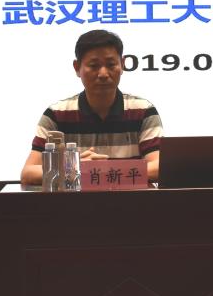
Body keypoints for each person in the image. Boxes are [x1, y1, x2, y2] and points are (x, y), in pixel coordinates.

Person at [20, 30, 163, 185]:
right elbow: (28, 173)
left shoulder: (143, 111)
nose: (103, 74)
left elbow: (159, 168)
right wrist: (73, 168)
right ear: (77, 68)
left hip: (129, 200)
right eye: (94, 66)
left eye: (111, 64)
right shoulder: (57, 114)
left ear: (122, 65)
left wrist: (101, 171)